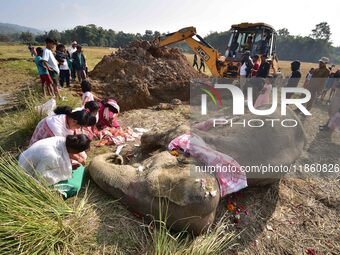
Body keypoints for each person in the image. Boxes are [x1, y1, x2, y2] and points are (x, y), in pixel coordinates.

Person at [19, 135, 91, 185]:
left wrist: (73, 161)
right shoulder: (52, 156)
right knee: (74, 185)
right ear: (75, 150)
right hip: (26, 171)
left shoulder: (62, 139)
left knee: (76, 169)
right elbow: (41, 177)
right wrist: (66, 170)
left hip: (26, 158)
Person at [29, 106, 96, 146]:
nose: (78, 128)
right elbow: (61, 147)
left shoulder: (70, 116)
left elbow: (74, 131)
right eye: (79, 126)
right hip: (38, 147)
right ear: (74, 122)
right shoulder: (56, 127)